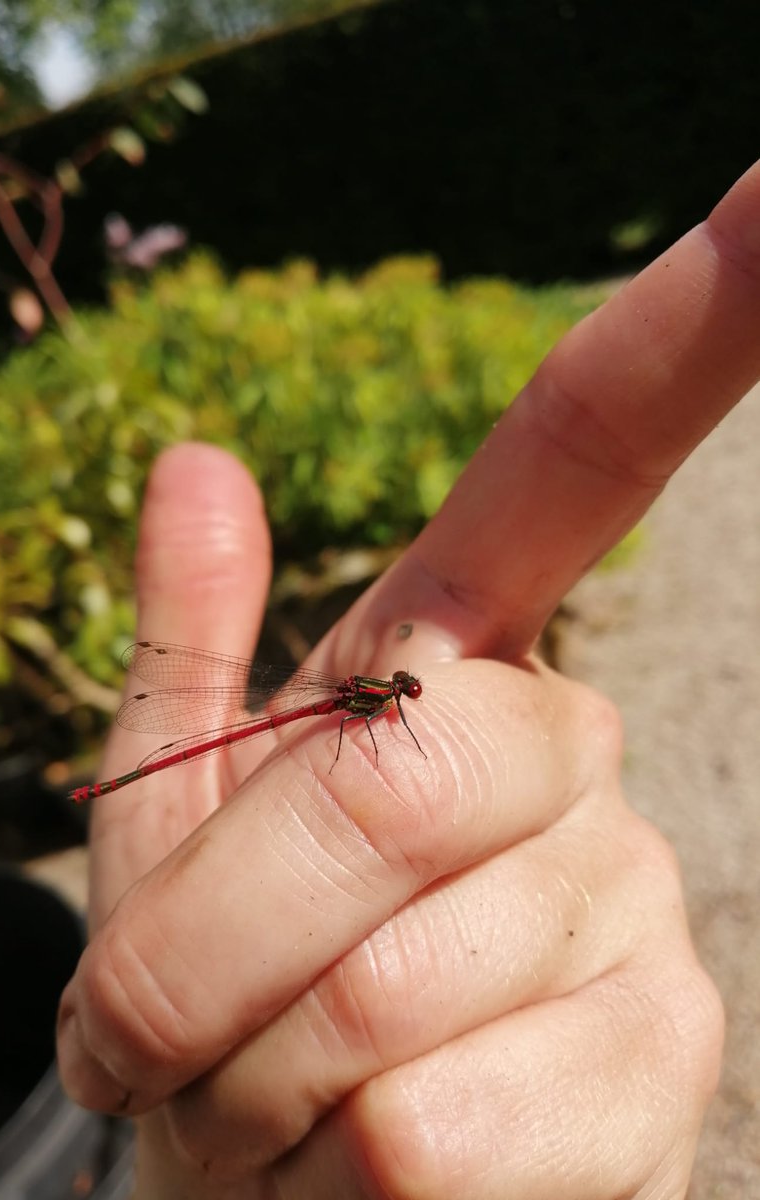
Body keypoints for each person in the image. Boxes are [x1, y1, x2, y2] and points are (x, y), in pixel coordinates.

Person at [56, 158, 760, 1198]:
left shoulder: (375, 699)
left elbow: (375, 744)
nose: (403, 706)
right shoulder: (360, 704)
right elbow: (363, 744)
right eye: (402, 701)